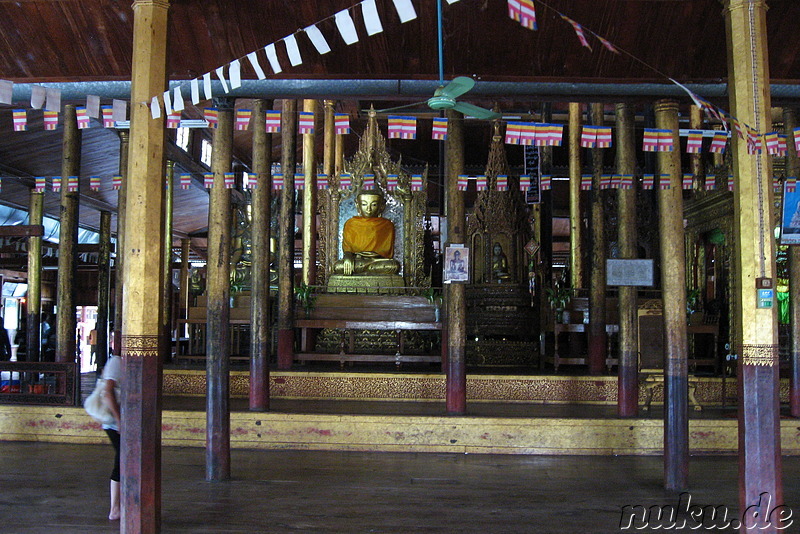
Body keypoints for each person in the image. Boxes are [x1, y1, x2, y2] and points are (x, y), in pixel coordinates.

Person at [332, 190, 401, 275]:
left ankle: (366, 269)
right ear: (358, 206)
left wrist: (373, 256)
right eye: (364, 204)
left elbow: (386, 252)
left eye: (374, 204)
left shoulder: (387, 225)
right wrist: (348, 257)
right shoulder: (351, 224)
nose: (369, 209)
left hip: (377, 261)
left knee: (394, 266)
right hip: (356, 261)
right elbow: (348, 248)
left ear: (381, 206)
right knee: (338, 267)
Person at [101, 333, 122, 521]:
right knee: (122, 460)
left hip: (119, 420)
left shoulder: (125, 361)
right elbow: (108, 393)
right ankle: (115, 508)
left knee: (123, 459)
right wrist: (119, 419)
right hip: (115, 422)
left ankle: (119, 506)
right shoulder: (116, 362)